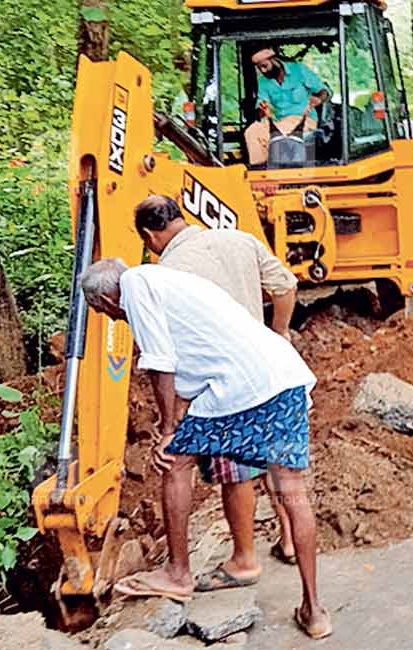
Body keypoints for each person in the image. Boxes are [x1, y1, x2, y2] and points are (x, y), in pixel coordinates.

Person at [87, 259, 331, 639]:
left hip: (242, 387)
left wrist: (168, 430)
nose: (113, 319)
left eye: (104, 312)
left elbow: (160, 362)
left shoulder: (134, 287)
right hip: (284, 380)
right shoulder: (169, 282)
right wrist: (176, 416)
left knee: (174, 460)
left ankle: (178, 572)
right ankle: (314, 612)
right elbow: (193, 363)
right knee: (292, 491)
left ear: (106, 298)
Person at [133, 195, 302, 591]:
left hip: (225, 381)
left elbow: (168, 355)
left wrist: (170, 418)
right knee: (272, 455)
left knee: (234, 468)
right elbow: (285, 285)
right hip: (269, 372)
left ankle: (244, 559)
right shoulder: (239, 240)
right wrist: (278, 333)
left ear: (148, 234)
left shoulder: (169, 270)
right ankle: (290, 539)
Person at [243, 47, 329, 165]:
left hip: (303, 120)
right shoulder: (263, 81)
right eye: (258, 68)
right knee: (252, 132)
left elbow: (324, 91)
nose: (262, 71)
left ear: (274, 60)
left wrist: (318, 99)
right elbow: (261, 107)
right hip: (277, 122)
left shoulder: (299, 70)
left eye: (264, 66)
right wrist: (263, 110)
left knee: (280, 132)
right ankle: (259, 169)